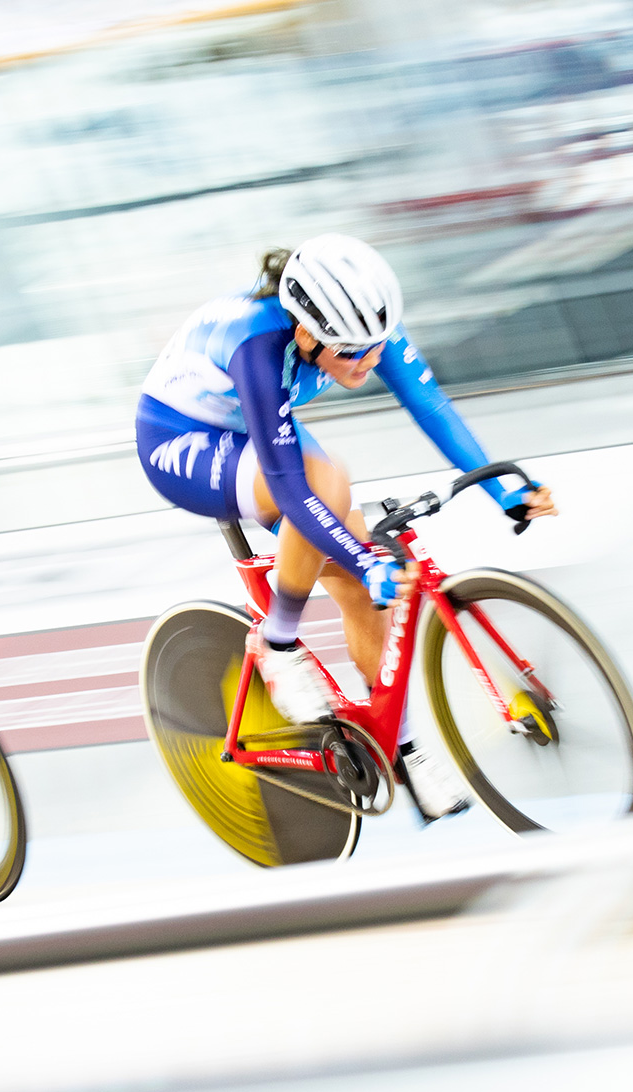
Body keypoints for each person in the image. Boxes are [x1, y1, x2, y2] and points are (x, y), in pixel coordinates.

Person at [137, 234, 557, 823]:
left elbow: (430, 406)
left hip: (251, 424)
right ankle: (277, 646)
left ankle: (401, 752)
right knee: (331, 492)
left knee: (365, 589)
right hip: (179, 437)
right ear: (305, 334)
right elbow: (291, 486)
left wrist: (501, 489)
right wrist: (366, 560)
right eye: (351, 354)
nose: (366, 363)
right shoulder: (258, 345)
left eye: (375, 349)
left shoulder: (362, 326)